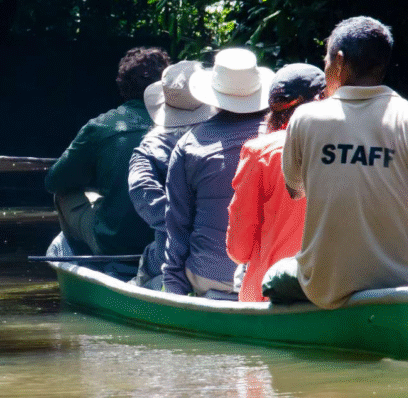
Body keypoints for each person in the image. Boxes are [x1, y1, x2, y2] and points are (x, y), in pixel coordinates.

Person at [264, 16, 408, 308]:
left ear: (340, 61)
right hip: (405, 282)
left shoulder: (305, 119)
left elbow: (297, 191)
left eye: (326, 59)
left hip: (325, 284)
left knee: (272, 278)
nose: (325, 67)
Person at [162, 48, 273, 297]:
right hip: (269, 276)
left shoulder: (189, 144)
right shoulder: (282, 140)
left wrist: (173, 285)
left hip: (209, 276)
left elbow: (177, 225)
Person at [44, 47, 171, 257]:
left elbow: (54, 181)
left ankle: (83, 252)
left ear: (123, 85)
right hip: (171, 242)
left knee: (64, 194)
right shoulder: (187, 127)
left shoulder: (102, 126)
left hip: (116, 243)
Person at [225, 63, 326, 302]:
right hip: (332, 295)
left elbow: (239, 250)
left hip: (269, 294)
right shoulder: (350, 147)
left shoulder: (259, 151)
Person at [128, 60, 217, 290]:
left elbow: (145, 201)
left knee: (150, 258)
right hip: (229, 250)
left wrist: (188, 228)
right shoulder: (231, 140)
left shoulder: (147, 149)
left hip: (171, 253)